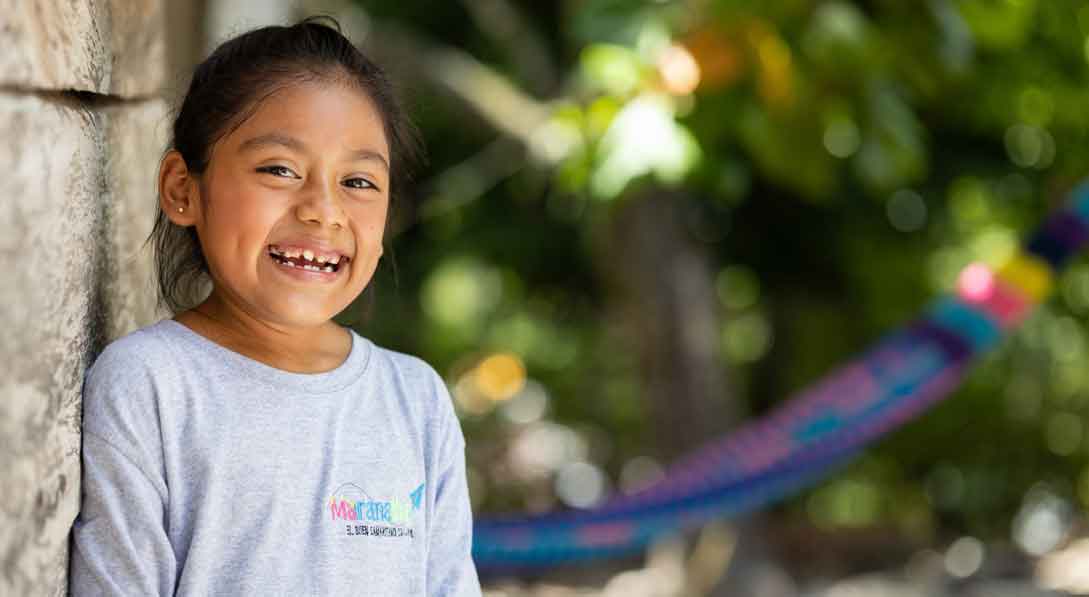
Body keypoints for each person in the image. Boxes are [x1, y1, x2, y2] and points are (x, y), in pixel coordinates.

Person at [68, 17, 482, 596]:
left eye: (359, 182)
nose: (323, 210)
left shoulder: (417, 401)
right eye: (279, 170)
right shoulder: (150, 385)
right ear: (182, 190)